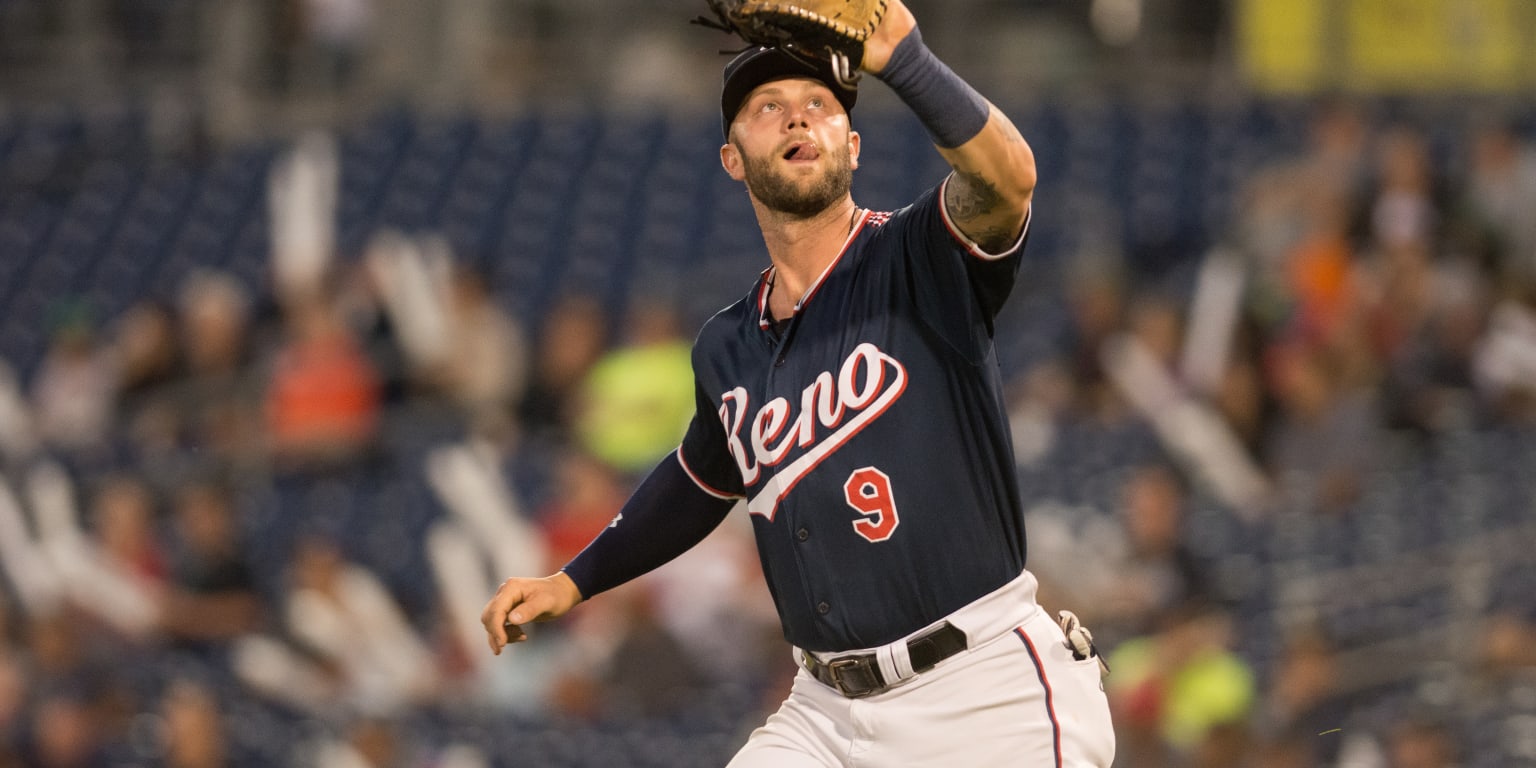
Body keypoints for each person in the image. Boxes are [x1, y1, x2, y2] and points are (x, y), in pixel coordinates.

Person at [481, 2, 1116, 764]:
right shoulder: (726, 344)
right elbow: (699, 478)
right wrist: (574, 581)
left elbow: (1010, 183)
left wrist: (903, 59)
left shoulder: (917, 258)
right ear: (732, 157)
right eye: (767, 108)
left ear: (852, 144)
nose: (796, 118)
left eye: (820, 104)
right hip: (824, 714)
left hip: (982, 689)